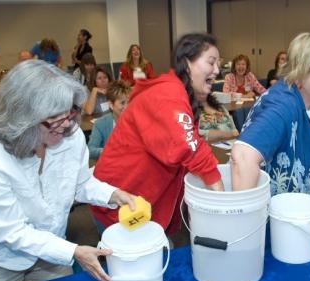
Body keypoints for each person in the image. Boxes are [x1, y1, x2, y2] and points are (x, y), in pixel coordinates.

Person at [0, 60, 136, 281]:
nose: (66, 124)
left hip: (50, 253)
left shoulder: (69, 135)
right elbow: (13, 232)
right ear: (21, 116)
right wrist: (73, 252)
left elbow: (80, 183)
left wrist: (113, 194)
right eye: (55, 117)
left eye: (70, 113)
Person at [91, 33, 224, 235]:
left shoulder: (180, 95)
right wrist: (224, 202)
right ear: (187, 63)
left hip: (141, 202)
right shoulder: (168, 94)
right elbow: (189, 148)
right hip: (121, 203)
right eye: (211, 62)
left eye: (218, 63)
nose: (217, 69)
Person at [231, 32, 310, 223]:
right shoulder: (283, 105)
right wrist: (247, 227)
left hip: (305, 213)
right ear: (302, 70)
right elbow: (242, 157)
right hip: (271, 219)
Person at [87, 80, 130, 160]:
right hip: (111, 165)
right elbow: (90, 150)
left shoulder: (137, 121)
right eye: (122, 103)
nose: (127, 107)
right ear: (111, 105)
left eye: (129, 102)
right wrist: (109, 151)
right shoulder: (100, 124)